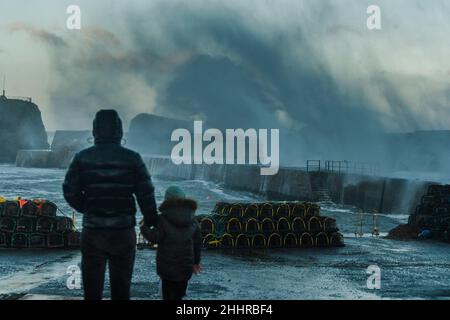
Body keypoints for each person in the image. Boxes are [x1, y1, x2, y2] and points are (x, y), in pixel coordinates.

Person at [63, 109, 158, 300]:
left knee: (92, 288)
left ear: (95, 130)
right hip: (123, 231)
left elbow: (69, 191)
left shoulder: (82, 157)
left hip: (93, 231)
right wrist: (151, 220)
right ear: (119, 131)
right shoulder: (132, 158)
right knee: (122, 287)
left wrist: (87, 209)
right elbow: (146, 194)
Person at [140, 185, 202, 300]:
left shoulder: (163, 219)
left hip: (167, 270)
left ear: (167, 200)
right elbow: (197, 244)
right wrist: (196, 262)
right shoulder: (193, 220)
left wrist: (144, 227)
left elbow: (155, 238)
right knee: (179, 296)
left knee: (167, 296)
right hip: (185, 270)